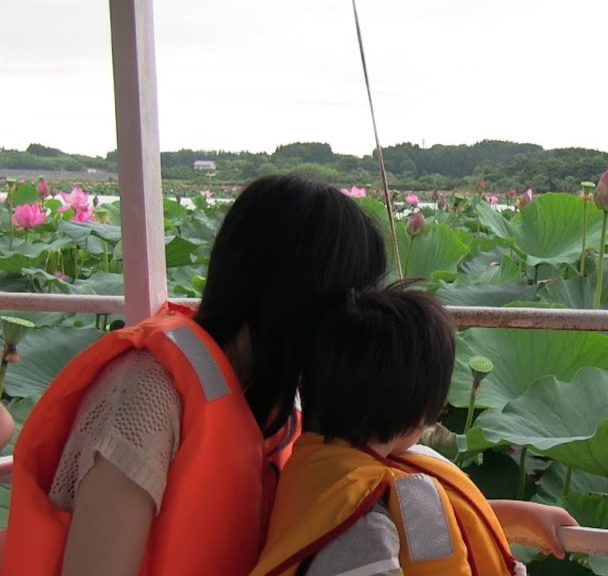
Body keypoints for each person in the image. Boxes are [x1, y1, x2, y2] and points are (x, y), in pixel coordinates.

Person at [3, 174, 388, 576]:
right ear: (301, 301)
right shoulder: (146, 396)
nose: (358, 330)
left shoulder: (275, 404)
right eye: (352, 307)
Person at [251, 282, 577, 576]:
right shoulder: (360, 528)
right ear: (420, 413)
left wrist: (523, 516)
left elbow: (431, 527)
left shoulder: (328, 469)